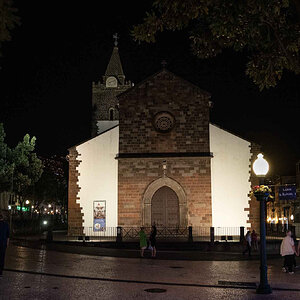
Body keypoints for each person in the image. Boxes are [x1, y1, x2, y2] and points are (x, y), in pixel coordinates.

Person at [0, 213, 10, 277]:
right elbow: (8, 236)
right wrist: (7, 244)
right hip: (3, 243)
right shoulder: (6, 224)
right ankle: (0, 271)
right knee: (2, 257)